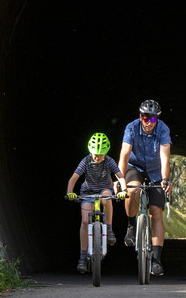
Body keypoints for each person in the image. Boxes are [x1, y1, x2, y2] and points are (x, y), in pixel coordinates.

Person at [117, 99, 173, 276]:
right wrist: (120, 180)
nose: (149, 123)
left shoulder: (163, 129)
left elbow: (165, 156)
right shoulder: (131, 128)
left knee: (156, 211)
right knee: (132, 190)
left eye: (153, 119)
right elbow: (124, 154)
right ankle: (131, 225)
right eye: (146, 118)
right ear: (140, 117)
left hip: (156, 170)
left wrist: (165, 179)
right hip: (136, 167)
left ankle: (156, 260)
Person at [65, 132, 122, 274]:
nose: (97, 157)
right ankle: (83, 257)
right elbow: (73, 178)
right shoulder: (85, 161)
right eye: (95, 154)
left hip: (104, 189)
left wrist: (124, 190)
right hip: (88, 192)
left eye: (101, 154)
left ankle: (109, 230)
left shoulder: (109, 161)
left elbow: (120, 177)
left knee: (107, 198)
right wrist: (69, 192)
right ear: (90, 151)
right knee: (85, 222)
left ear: (106, 153)